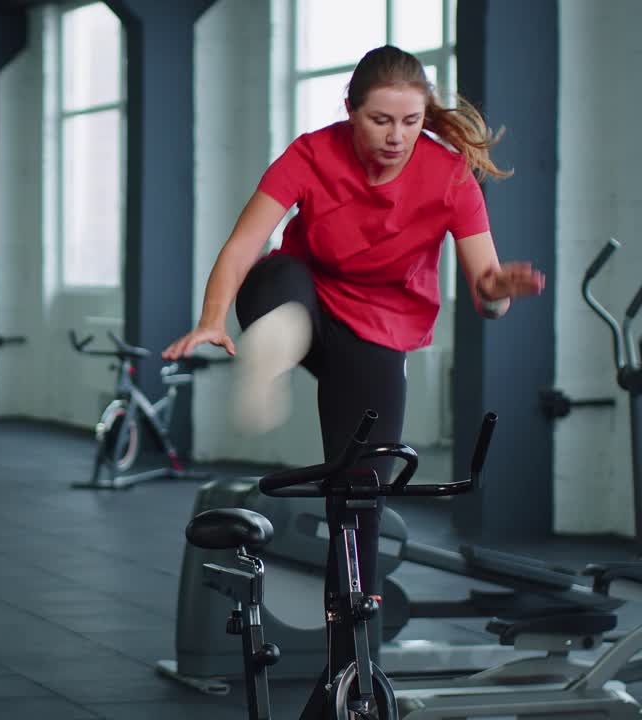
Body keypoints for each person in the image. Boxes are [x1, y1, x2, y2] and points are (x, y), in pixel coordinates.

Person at [163, 45, 544, 717]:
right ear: (351, 112)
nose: (396, 137)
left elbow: (487, 292)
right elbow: (246, 242)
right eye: (379, 121)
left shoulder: (450, 175)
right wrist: (212, 317)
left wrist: (500, 290)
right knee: (278, 278)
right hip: (299, 296)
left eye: (410, 121)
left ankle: (350, 677)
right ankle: (274, 351)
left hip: (374, 335)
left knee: (357, 500)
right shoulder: (313, 153)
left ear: (425, 116)